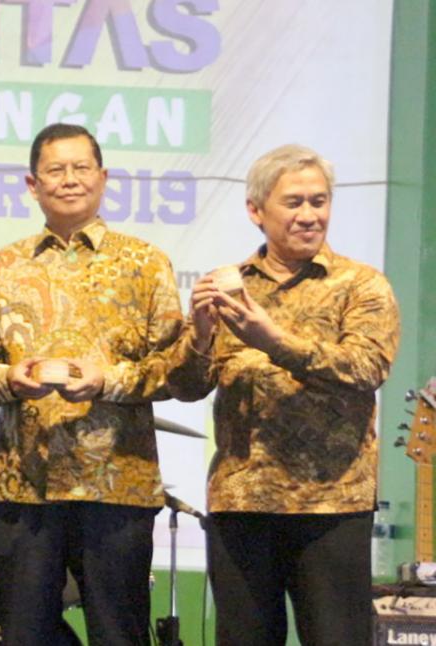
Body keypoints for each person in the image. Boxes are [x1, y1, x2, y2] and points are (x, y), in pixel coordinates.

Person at [169, 144, 399, 646]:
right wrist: (201, 334)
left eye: (319, 201)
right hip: (242, 500)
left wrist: (271, 339)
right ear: (256, 211)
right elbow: (184, 387)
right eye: (294, 203)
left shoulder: (362, 285)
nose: (309, 215)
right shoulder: (228, 287)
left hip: (331, 503)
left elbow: (366, 367)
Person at [0, 123, 185, 645]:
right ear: (32, 184)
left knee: (119, 635)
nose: (69, 180)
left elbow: (174, 368)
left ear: (103, 177)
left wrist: (109, 381)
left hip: (118, 482)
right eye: (55, 170)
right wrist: (9, 379)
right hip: (24, 485)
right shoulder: (1, 267)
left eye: (81, 168)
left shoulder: (145, 263)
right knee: (25, 635)